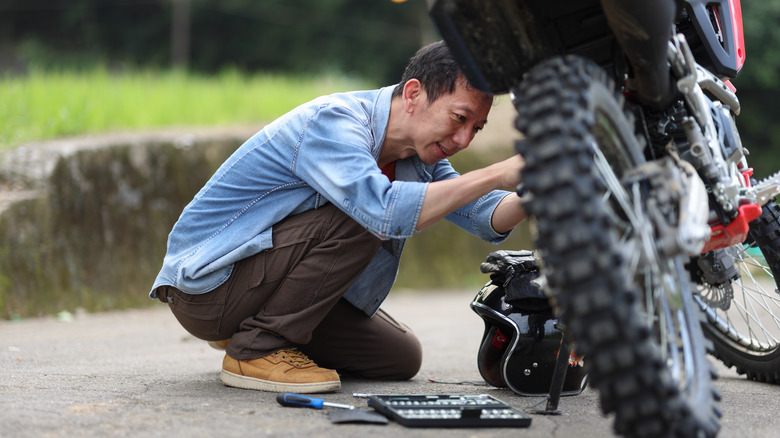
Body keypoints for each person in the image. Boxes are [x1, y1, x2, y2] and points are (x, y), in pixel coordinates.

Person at [149, 40, 526, 394]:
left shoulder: (418, 157)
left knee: (400, 356)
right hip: (208, 287)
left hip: (254, 287)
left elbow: (481, 213)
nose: (464, 140)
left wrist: (536, 188)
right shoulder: (335, 122)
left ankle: (248, 326)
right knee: (364, 214)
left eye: (475, 128)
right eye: (459, 118)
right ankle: (255, 349)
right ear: (413, 94)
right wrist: (498, 172)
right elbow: (382, 211)